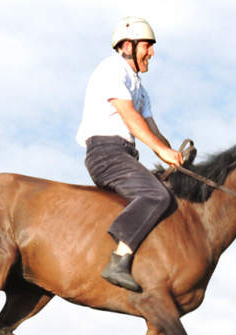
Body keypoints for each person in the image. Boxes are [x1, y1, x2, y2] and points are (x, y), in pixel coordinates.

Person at [75, 16, 184, 292]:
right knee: (155, 195)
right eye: (147, 46)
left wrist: (174, 154)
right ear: (127, 46)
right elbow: (130, 117)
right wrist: (161, 150)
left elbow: (153, 130)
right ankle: (118, 260)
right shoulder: (112, 69)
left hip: (124, 154)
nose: (152, 52)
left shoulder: (141, 90)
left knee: (167, 193)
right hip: (106, 153)